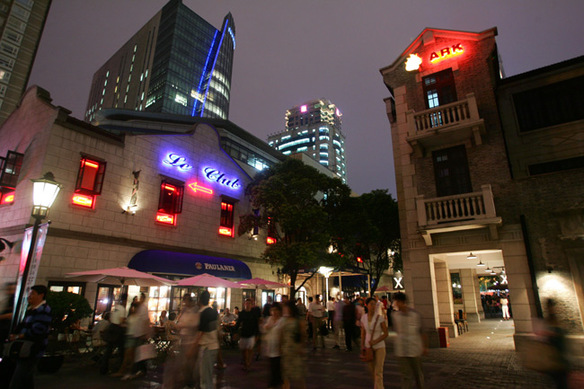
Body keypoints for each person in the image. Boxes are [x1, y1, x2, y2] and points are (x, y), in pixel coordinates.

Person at [8, 285, 52, 389]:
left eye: (32, 294)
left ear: (41, 295)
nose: (29, 296)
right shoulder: (32, 309)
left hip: (33, 349)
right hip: (24, 348)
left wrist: (19, 336)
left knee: (18, 380)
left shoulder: (44, 310)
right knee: (26, 378)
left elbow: (37, 330)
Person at [392, 292, 426, 389]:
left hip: (414, 349)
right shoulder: (395, 316)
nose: (395, 304)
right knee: (405, 376)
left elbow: (421, 331)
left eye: (397, 301)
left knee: (418, 374)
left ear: (402, 302)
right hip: (401, 351)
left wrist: (424, 346)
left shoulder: (415, 315)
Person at [361, 297, 388, 389]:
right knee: (372, 372)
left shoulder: (379, 318)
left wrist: (376, 341)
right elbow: (363, 332)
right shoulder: (363, 318)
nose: (373, 306)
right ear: (366, 305)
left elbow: (386, 333)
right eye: (371, 304)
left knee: (378, 371)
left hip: (380, 346)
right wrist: (362, 345)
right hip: (369, 347)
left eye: (374, 304)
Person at [194, 290, 219, 389]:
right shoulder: (213, 312)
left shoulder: (203, 313)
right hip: (213, 345)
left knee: (205, 376)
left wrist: (193, 346)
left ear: (200, 300)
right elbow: (217, 328)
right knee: (207, 374)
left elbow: (201, 332)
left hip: (206, 347)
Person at [281, 300, 306, 389]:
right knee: (285, 375)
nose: (284, 309)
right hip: (285, 349)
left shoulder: (297, 321)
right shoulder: (283, 320)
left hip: (294, 349)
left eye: (285, 307)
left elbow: (303, 334)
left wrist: (301, 347)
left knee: (298, 376)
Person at [101, 293, 127, 375]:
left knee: (108, 350)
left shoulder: (115, 308)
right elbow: (121, 321)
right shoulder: (122, 309)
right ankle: (120, 368)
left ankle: (103, 369)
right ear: (125, 300)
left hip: (111, 327)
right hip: (118, 330)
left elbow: (111, 318)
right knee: (121, 350)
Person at [262, 303, 284, 389]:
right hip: (270, 348)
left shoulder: (282, 321)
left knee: (277, 371)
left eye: (276, 310)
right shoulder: (269, 319)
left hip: (279, 349)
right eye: (272, 310)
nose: (274, 312)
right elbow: (264, 329)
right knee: (273, 370)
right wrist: (266, 327)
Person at [236, 298, 260, 371]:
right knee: (243, 350)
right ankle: (246, 362)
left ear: (251, 305)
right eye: (246, 303)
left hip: (251, 334)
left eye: (249, 304)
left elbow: (256, 324)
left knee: (249, 349)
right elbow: (238, 323)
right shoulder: (242, 313)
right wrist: (235, 332)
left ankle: (248, 363)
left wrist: (257, 334)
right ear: (244, 304)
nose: (247, 305)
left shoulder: (253, 313)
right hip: (244, 333)